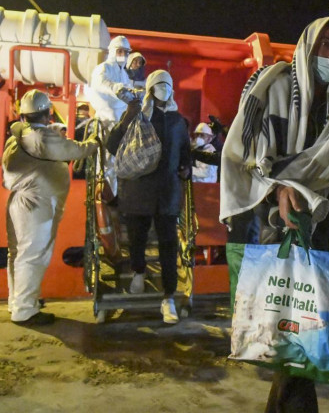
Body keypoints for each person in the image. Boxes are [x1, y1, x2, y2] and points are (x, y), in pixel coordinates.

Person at [220, 12, 329, 413]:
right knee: (292, 324)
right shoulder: (271, 85)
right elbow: (248, 151)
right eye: (326, 45)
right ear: (309, 46)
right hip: (279, 222)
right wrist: (279, 188)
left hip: (327, 223)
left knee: (301, 325)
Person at [3, 90, 98, 325]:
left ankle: (19, 302)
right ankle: (25, 310)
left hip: (20, 201)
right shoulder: (42, 138)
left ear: (23, 115)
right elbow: (75, 150)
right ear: (47, 114)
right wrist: (94, 143)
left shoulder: (16, 137)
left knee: (18, 254)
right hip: (36, 205)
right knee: (33, 256)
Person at [106, 70, 191, 324]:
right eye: (159, 85)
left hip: (167, 194)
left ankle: (168, 298)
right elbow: (112, 146)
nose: (163, 90)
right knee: (136, 237)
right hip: (137, 191)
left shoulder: (178, 121)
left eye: (167, 85)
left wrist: (186, 167)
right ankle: (138, 272)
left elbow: (185, 152)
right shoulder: (136, 115)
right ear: (151, 88)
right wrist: (127, 118)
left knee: (168, 246)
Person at [86, 35, 142, 195]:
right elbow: (101, 83)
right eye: (120, 51)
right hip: (106, 121)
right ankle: (105, 194)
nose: (123, 54)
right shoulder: (103, 68)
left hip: (121, 123)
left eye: (126, 52)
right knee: (106, 161)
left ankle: (115, 196)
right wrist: (115, 88)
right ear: (112, 51)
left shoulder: (123, 73)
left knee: (118, 161)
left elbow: (125, 93)